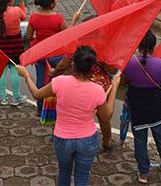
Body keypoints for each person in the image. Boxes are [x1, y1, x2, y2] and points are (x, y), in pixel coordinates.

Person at [16, 46, 120, 186]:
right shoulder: (98, 90)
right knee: (82, 177)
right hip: (87, 140)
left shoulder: (60, 82)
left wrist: (27, 76)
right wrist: (114, 87)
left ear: (73, 64)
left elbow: (36, 94)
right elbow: (107, 116)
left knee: (64, 174)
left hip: (62, 139)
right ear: (91, 67)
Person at [122, 30, 161, 183]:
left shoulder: (129, 63)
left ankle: (143, 173)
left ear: (138, 45)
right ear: (154, 46)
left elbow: (125, 82)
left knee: (140, 141)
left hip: (137, 108)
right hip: (156, 108)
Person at [26, 0, 67, 112]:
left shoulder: (33, 17)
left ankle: (40, 109)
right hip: (56, 55)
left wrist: (38, 37)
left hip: (40, 55)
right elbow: (65, 35)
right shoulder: (58, 18)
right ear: (52, 4)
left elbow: (28, 37)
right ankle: (57, 109)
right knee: (58, 81)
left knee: (41, 81)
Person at [0, 0, 27, 106]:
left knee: (2, 72)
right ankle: (16, 97)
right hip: (16, 46)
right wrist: (21, 1)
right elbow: (24, 16)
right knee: (15, 71)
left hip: (0, 47)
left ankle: (3, 97)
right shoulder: (17, 11)